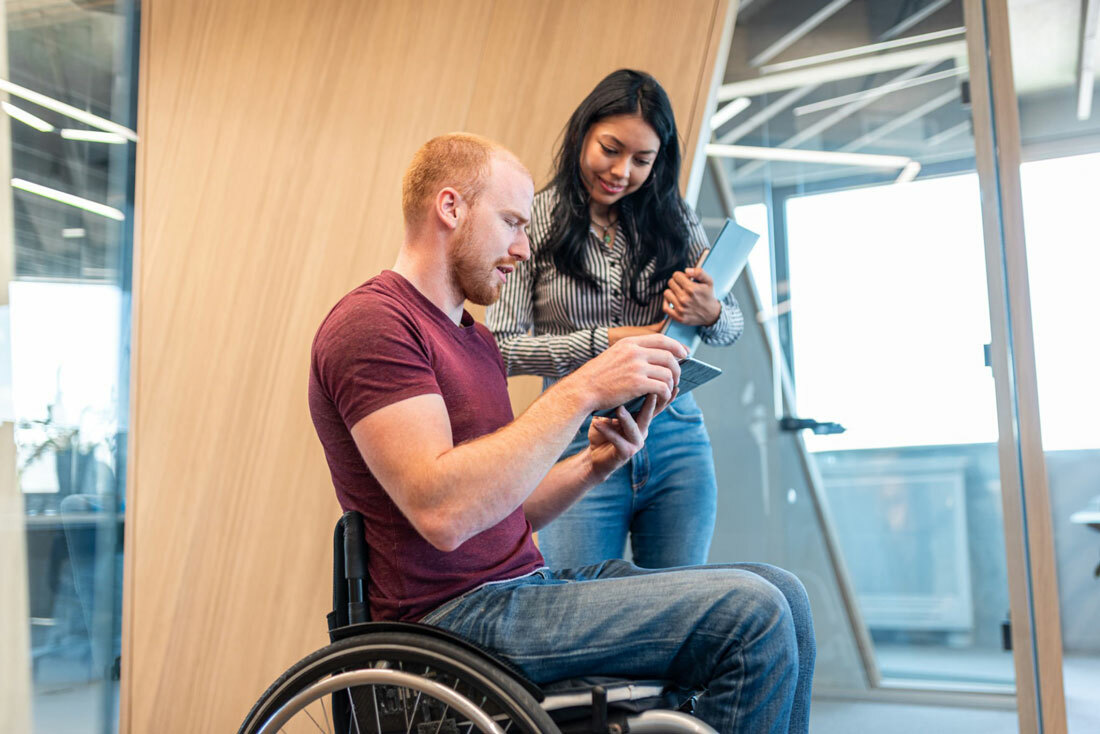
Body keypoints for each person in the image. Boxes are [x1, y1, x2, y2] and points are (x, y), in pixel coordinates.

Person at [308, 133, 814, 733]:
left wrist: (594, 464)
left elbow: (502, 511)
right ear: (450, 208)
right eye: (511, 223)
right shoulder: (374, 325)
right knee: (751, 614)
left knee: (785, 594)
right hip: (451, 618)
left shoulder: (475, 340)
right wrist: (581, 389)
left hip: (522, 589)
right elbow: (442, 512)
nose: (523, 248)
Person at [486, 69, 743, 570]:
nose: (622, 170)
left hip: (676, 436)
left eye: (642, 160)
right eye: (611, 149)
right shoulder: (533, 219)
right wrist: (609, 341)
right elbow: (500, 347)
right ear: (584, 132)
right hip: (576, 438)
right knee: (582, 613)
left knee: (679, 612)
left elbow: (730, 328)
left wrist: (710, 311)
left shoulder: (674, 217)